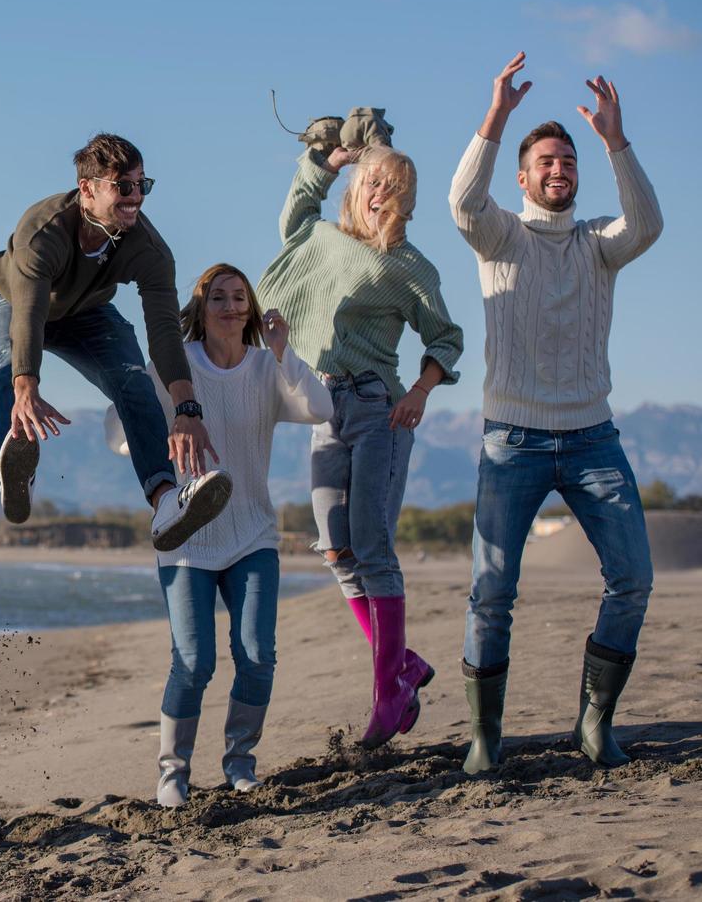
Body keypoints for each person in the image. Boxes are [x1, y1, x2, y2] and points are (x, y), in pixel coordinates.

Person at [449, 53, 663, 773]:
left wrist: (614, 140)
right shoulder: (499, 234)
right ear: (522, 176)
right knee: (491, 593)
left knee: (631, 578)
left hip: (592, 439)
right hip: (510, 439)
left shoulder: (598, 243)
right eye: (544, 161)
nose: (557, 170)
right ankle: (484, 741)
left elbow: (649, 222)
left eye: (566, 161)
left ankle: (594, 724)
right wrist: (495, 117)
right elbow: (460, 204)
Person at [257, 132, 463, 749]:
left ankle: (386, 695)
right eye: (373, 183)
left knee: (373, 548)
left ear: (407, 200)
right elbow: (296, 215)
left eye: (393, 188)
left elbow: (445, 338)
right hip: (323, 406)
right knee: (335, 550)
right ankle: (403, 666)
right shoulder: (323, 240)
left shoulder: (411, 267)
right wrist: (325, 161)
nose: (380, 194)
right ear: (358, 189)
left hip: (380, 409)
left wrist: (420, 391)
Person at [110, 264, 331, 805]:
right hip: (185, 537)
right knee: (193, 661)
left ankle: (239, 761)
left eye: (240, 298)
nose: (231, 307)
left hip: (253, 531)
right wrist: (169, 439)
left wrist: (283, 351)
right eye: (219, 298)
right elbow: (120, 429)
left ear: (251, 310)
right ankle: (173, 772)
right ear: (200, 310)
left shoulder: (265, 366)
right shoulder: (177, 366)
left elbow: (323, 409)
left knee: (257, 654)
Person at [0, 133, 231, 552]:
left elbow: (164, 330)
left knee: (134, 381)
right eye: (123, 186)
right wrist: (27, 387)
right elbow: (28, 316)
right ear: (88, 188)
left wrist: (187, 409)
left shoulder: (149, 249)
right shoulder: (43, 232)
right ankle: (14, 465)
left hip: (87, 312)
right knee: (10, 366)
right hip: (16, 299)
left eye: (142, 185)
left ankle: (166, 502)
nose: (135, 197)